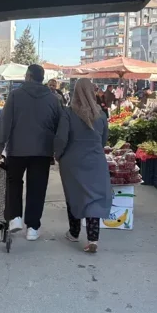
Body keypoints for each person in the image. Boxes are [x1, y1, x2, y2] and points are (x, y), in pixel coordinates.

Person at [0, 64, 61, 241]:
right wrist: (57, 150)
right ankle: (33, 227)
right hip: (42, 151)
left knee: (14, 183)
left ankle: (15, 218)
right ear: (42, 78)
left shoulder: (16, 95)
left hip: (17, 149)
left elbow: (5, 121)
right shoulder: (53, 99)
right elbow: (60, 125)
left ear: (29, 76)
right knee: (37, 188)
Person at [54, 78, 111, 253]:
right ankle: (93, 238)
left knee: (74, 195)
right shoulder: (101, 115)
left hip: (72, 161)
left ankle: (74, 232)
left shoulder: (69, 113)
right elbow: (103, 139)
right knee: (93, 197)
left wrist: (58, 154)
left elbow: (62, 138)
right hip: (95, 161)